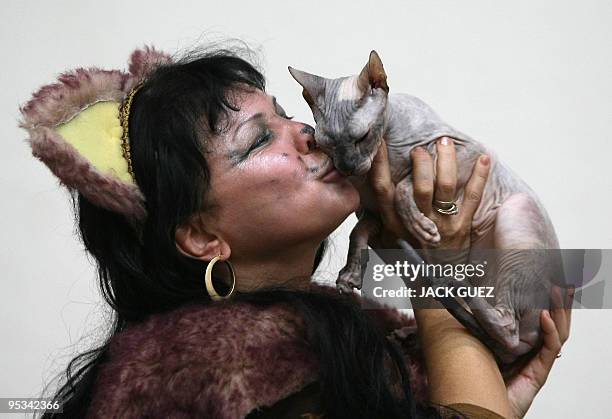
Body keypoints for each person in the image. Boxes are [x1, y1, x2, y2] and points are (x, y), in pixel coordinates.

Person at [20, 45, 572, 419]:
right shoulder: (215, 374)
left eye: (288, 114)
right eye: (260, 140)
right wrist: (438, 275)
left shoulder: (347, 331)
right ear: (201, 236)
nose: (307, 132)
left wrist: (484, 399)